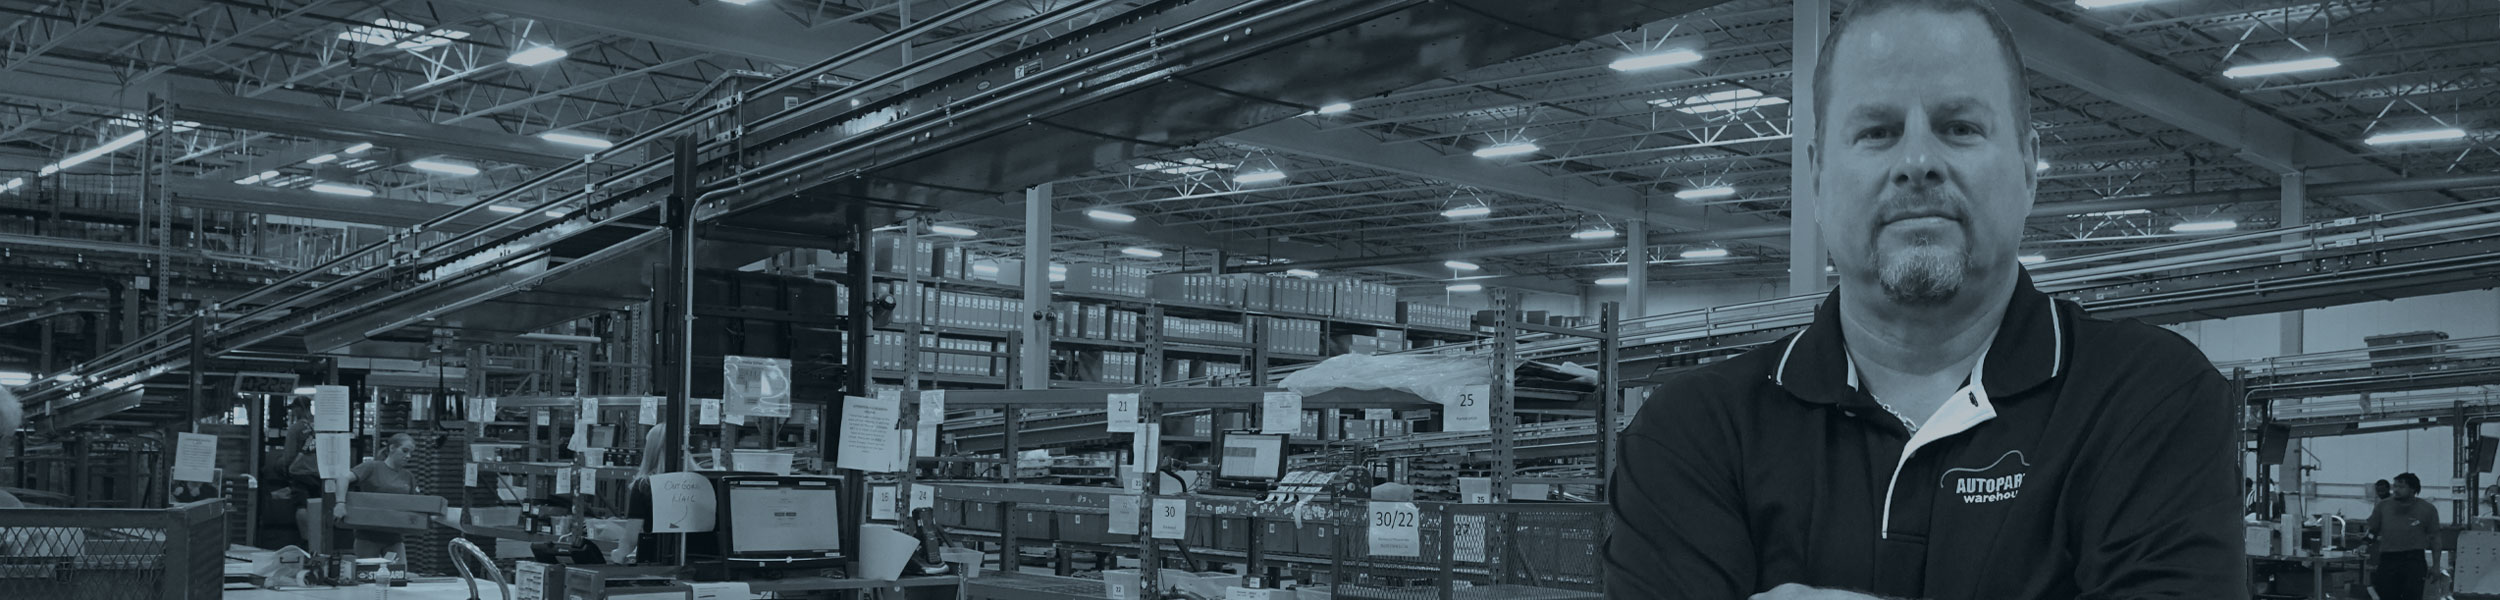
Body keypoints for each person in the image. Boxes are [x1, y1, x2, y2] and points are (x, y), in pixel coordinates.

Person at [1602, 1, 2242, 598]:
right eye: (1878, 131)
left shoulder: (2150, 400)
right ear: (1817, 177)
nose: (1916, 160)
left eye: (1959, 127)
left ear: (2028, 167)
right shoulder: (1692, 432)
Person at [335, 433, 419, 567]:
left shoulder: (408, 477)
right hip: (367, 536)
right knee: (367, 574)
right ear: (392, 448)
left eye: (411, 453)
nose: (408, 456)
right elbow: (343, 478)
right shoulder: (372, 467)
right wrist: (340, 503)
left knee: (398, 574)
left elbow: (416, 504)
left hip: (394, 537)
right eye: (405, 451)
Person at [2368, 473, 2440, 600]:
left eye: (2401, 487)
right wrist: (2365, 543)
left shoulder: (2427, 509)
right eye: (2395, 486)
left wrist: (2436, 566)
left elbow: (2435, 538)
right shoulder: (2383, 506)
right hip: (2388, 559)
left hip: (2414, 560)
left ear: (2413, 489)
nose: (2396, 490)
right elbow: (2372, 530)